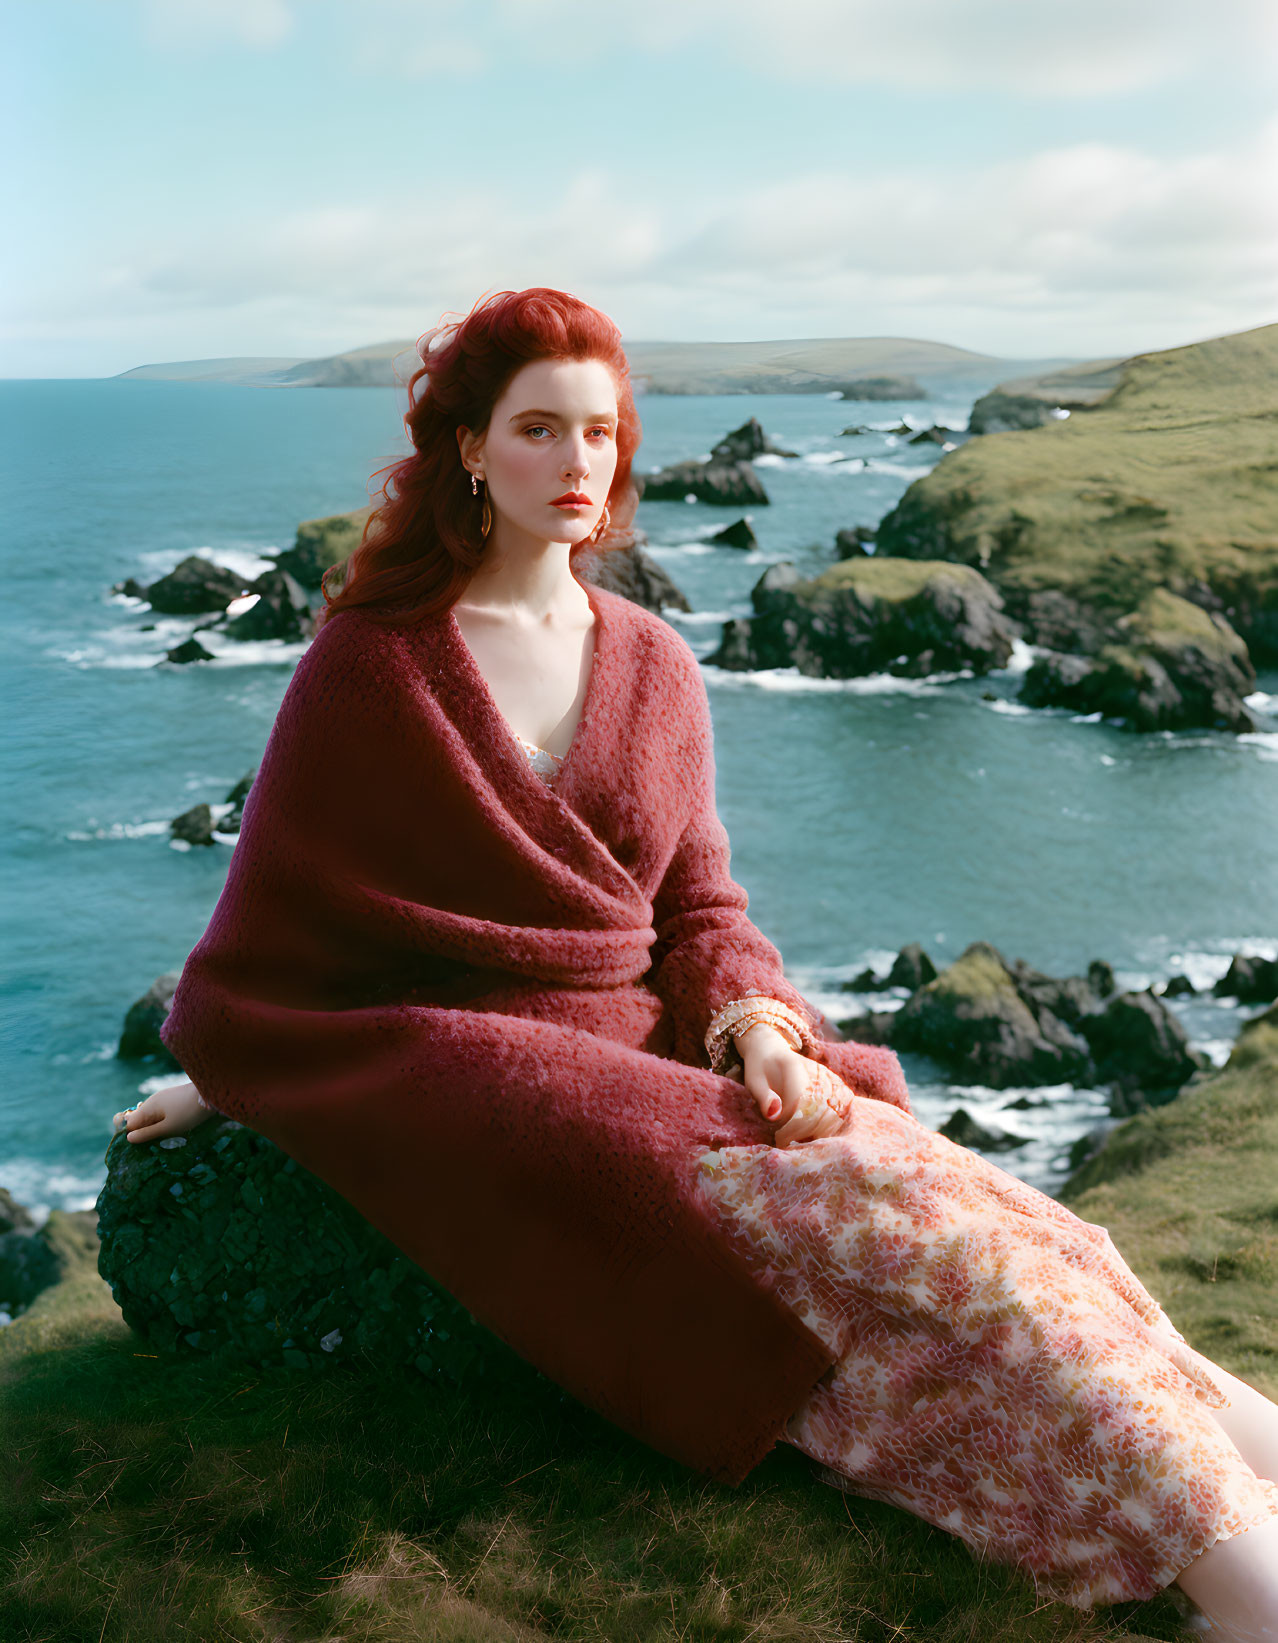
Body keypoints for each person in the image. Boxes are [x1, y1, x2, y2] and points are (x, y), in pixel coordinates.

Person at [112, 287, 1278, 1639]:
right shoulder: (370, 667)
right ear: (471, 452)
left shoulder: (656, 662)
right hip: (507, 1094)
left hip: (679, 1066)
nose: (578, 463)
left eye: (599, 432)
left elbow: (701, 909)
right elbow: (288, 931)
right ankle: (1231, 1584)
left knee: (1035, 1239)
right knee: (954, 1281)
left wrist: (763, 1030)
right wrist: (247, 1077)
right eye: (538, 429)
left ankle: (1245, 1502)